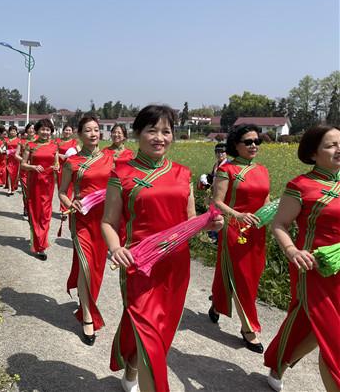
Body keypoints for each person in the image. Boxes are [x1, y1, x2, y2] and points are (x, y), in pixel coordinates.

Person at [101, 105, 223, 392]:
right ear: (137, 134)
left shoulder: (183, 174)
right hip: (139, 265)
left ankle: (132, 368)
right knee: (150, 336)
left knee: (162, 334)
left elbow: (190, 221)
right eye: (151, 130)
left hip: (176, 266)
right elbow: (108, 221)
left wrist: (208, 225)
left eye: (166, 131)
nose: (159, 137)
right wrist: (116, 248)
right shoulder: (122, 174)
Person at [264, 125, 340, 392]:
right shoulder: (301, 186)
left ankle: (279, 362)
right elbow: (279, 225)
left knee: (313, 327)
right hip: (314, 269)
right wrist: (292, 251)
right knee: (334, 341)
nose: (339, 149)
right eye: (331, 145)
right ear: (313, 153)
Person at [208, 124, 270, 353]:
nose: (254, 145)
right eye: (248, 141)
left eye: (257, 141)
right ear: (236, 145)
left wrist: (271, 215)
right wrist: (238, 215)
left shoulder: (262, 170)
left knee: (251, 276)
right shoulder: (228, 170)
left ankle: (216, 304)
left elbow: (265, 199)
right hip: (235, 230)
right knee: (241, 278)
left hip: (257, 230)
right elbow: (217, 201)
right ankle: (248, 328)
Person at [59, 116, 113, 346]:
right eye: (88, 130)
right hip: (82, 220)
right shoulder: (73, 163)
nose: (93, 134)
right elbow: (62, 192)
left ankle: (85, 300)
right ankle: (88, 317)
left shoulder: (113, 159)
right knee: (86, 266)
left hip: (107, 221)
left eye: (96, 130)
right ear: (79, 135)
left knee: (97, 269)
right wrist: (71, 203)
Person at [21, 119, 59, 260]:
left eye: (48, 130)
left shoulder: (55, 146)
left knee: (45, 214)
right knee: (35, 213)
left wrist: (57, 168)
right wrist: (33, 167)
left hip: (48, 184)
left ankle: (41, 243)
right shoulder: (30, 145)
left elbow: (57, 164)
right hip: (35, 183)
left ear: (51, 132)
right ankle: (38, 245)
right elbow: (23, 165)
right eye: (42, 129)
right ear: (37, 130)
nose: (45, 132)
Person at [56, 125, 79, 213]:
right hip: (60, 167)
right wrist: (59, 156)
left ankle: (65, 208)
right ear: (63, 131)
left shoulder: (74, 142)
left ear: (72, 132)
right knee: (61, 188)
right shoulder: (58, 141)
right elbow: (53, 152)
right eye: (66, 130)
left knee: (69, 188)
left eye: (69, 130)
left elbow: (79, 153)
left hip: (70, 168)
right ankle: (63, 208)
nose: (67, 132)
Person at [16, 123, 36, 217]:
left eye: (33, 128)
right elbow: (16, 155)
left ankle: (34, 208)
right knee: (26, 191)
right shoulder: (22, 141)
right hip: (24, 170)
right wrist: (24, 161)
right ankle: (26, 208)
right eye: (29, 128)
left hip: (36, 170)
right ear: (26, 130)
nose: (31, 130)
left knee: (35, 191)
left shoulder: (39, 140)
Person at [4, 126, 21, 195]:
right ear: (9, 132)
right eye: (11, 130)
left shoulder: (19, 140)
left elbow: (20, 151)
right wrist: (2, 151)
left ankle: (13, 187)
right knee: (9, 173)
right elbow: (2, 148)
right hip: (9, 159)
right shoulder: (7, 140)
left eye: (14, 131)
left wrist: (10, 151)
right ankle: (9, 189)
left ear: (16, 132)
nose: (13, 132)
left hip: (16, 159)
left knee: (15, 174)